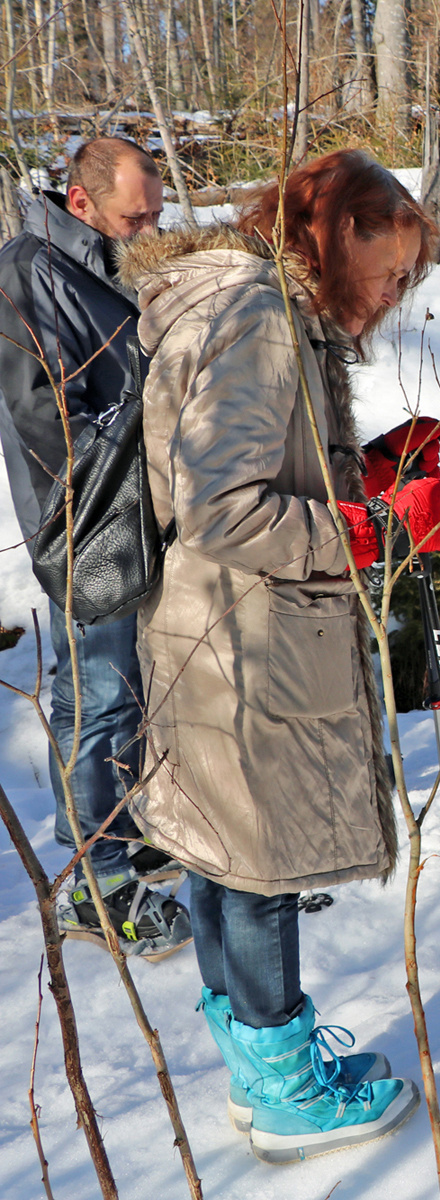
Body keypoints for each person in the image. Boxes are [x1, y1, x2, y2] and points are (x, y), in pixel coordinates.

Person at [121, 149, 439, 1161]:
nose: (393, 295)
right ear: (340, 230)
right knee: (255, 861)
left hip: (218, 633)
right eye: (390, 271)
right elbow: (223, 505)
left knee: (224, 852)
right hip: (244, 642)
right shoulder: (257, 315)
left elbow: (254, 461)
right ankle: (284, 1084)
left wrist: (367, 468)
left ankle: (262, 1065)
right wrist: (364, 529)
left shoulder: (263, 311)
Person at [0, 136, 193, 958]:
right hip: (84, 518)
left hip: (138, 503)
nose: (147, 227)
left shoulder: (110, 261)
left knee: (131, 683)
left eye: (155, 212)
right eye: (133, 214)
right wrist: (141, 432)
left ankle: (123, 830)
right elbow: (43, 409)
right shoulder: (28, 270)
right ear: (82, 203)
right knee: (99, 693)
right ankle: (94, 882)